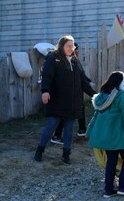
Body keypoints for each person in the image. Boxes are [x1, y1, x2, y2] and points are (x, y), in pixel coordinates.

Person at [34, 35, 96, 164]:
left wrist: (95, 95)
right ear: (62, 46)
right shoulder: (53, 59)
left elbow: (83, 81)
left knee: (69, 128)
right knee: (51, 126)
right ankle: (39, 150)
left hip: (72, 102)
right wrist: (45, 91)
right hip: (57, 101)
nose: (70, 48)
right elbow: (47, 76)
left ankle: (66, 154)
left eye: (72, 46)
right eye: (68, 45)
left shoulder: (75, 61)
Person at [86, 71, 124, 198]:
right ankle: (122, 187)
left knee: (111, 161)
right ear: (122, 84)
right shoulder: (122, 97)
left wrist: (89, 131)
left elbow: (95, 116)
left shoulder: (101, 98)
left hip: (108, 137)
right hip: (121, 136)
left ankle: (108, 190)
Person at [50, 43, 95, 144]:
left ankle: (82, 129)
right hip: (66, 94)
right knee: (64, 115)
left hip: (75, 92)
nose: (77, 51)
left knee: (80, 108)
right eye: (76, 49)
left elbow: (81, 75)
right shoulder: (64, 61)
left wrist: (88, 82)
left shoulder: (75, 60)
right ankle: (57, 136)